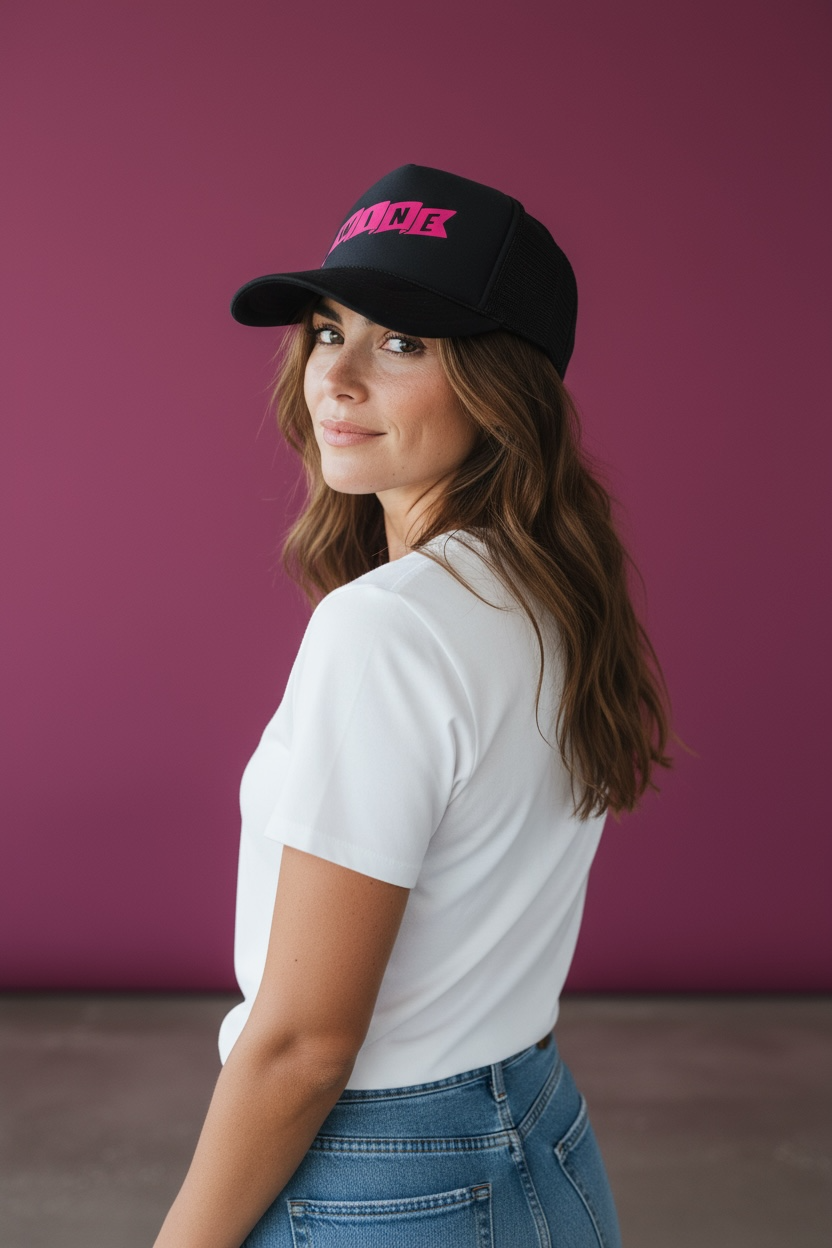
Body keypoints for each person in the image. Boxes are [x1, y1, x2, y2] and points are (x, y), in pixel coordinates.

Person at [153, 163, 671, 1248]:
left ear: (500, 386)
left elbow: (302, 1045)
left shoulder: (385, 629)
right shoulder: (551, 592)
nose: (334, 377)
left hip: (388, 1185)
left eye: (401, 343)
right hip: (540, 1138)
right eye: (327, 329)